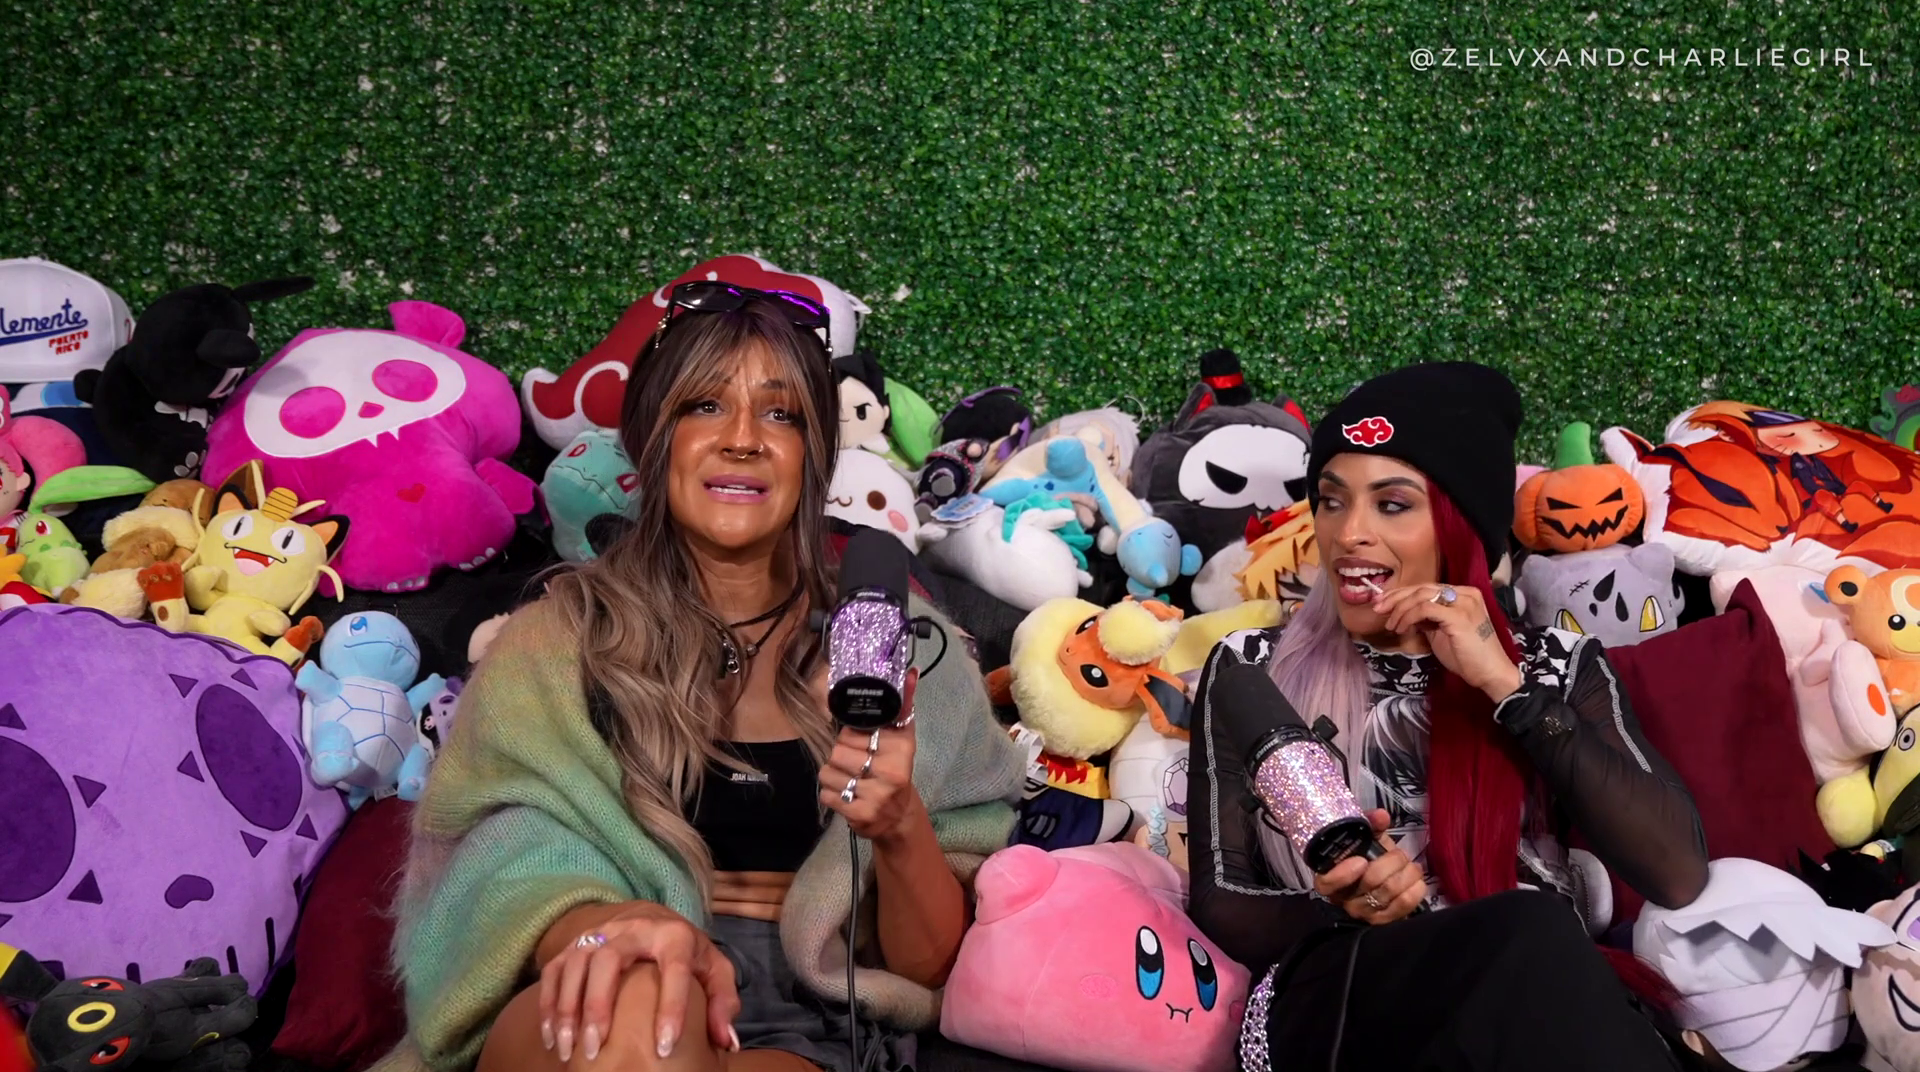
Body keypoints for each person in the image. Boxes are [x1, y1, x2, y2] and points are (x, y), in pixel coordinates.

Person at [383, 283, 1027, 1072]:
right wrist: (617, 929)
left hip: (815, 1018)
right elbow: (491, 865)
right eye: (705, 406)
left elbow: (932, 972)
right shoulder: (556, 644)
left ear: (815, 454)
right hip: (600, 968)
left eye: (781, 414)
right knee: (642, 1000)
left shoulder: (908, 648)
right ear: (653, 438)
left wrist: (897, 825)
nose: (743, 439)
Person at [1185, 362, 1709, 1072]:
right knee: (1529, 932)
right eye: (1332, 501)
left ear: (1459, 529)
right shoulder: (1251, 666)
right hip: (1342, 995)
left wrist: (1505, 686)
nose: (1349, 533)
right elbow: (1220, 901)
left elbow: (1677, 873)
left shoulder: (1554, 664)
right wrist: (1339, 906)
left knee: (1531, 945)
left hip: (1525, 1003)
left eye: (1392, 504)